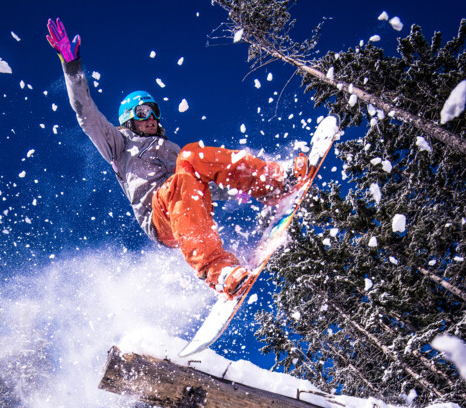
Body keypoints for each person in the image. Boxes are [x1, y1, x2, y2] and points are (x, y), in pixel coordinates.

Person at [46, 17, 308, 301]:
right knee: (179, 179)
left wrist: (235, 192)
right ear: (128, 119)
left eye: (154, 111)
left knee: (193, 154)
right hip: (158, 219)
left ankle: (273, 183)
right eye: (142, 112)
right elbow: (86, 116)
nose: (151, 118)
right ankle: (218, 271)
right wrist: (71, 67)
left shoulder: (171, 150)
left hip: (186, 209)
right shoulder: (118, 145)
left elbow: (197, 186)